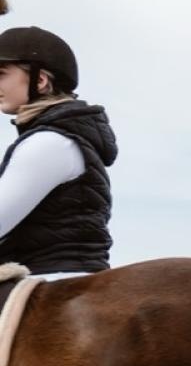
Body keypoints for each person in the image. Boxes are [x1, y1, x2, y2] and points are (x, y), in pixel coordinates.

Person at [0, 25, 116, 279]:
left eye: (1, 74)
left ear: (40, 80)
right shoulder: (60, 137)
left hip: (50, 277)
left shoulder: (49, 142)